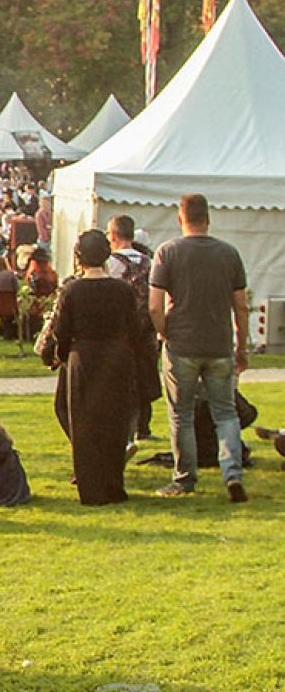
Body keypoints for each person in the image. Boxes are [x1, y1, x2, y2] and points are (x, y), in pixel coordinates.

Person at [150, 194, 251, 502]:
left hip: (182, 343)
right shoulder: (229, 254)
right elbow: (241, 306)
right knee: (226, 412)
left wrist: (165, 333)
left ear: (180, 219)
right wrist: (242, 346)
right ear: (208, 218)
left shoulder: (167, 253)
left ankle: (184, 478)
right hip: (219, 342)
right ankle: (232, 473)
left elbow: (154, 306)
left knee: (181, 414)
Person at [53, 229, 144, 506]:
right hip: (117, 356)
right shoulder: (123, 289)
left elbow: (61, 330)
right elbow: (134, 327)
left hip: (84, 357)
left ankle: (91, 488)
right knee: (115, 422)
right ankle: (114, 485)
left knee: (85, 423)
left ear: (79, 257)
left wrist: (61, 355)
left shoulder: (72, 290)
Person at [107, 214, 159, 442]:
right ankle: (144, 426)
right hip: (146, 330)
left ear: (114, 235)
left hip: (121, 331)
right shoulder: (149, 262)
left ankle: (125, 429)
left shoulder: (111, 264)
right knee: (145, 377)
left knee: (123, 381)